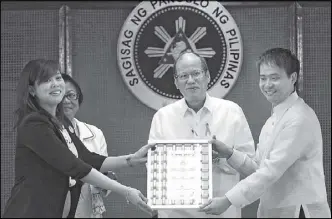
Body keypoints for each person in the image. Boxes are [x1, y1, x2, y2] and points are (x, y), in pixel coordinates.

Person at [3, 59, 154, 218]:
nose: (55, 84)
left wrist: (131, 159)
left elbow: (88, 158)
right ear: (32, 90)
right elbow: (75, 166)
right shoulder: (33, 124)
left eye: (58, 78)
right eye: (46, 80)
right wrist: (126, 191)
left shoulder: (61, 121)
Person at [199, 48, 331, 218]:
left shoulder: (299, 119)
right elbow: (257, 168)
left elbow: (270, 171)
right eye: (263, 78)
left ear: (293, 78)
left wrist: (228, 200)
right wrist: (229, 153)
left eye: (274, 78)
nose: (267, 85)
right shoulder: (274, 119)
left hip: (299, 212)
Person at [148, 51, 255, 218]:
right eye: (183, 76)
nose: (191, 81)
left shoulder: (232, 112)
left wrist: (227, 154)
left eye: (196, 73)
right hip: (175, 214)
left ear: (207, 76)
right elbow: (154, 168)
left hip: (222, 213)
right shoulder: (162, 117)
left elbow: (253, 169)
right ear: (176, 82)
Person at [62, 73, 117, 218]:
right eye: (60, 95)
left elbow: (103, 171)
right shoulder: (45, 132)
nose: (66, 100)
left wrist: (107, 178)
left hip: (90, 211)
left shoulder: (95, 133)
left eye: (71, 95)